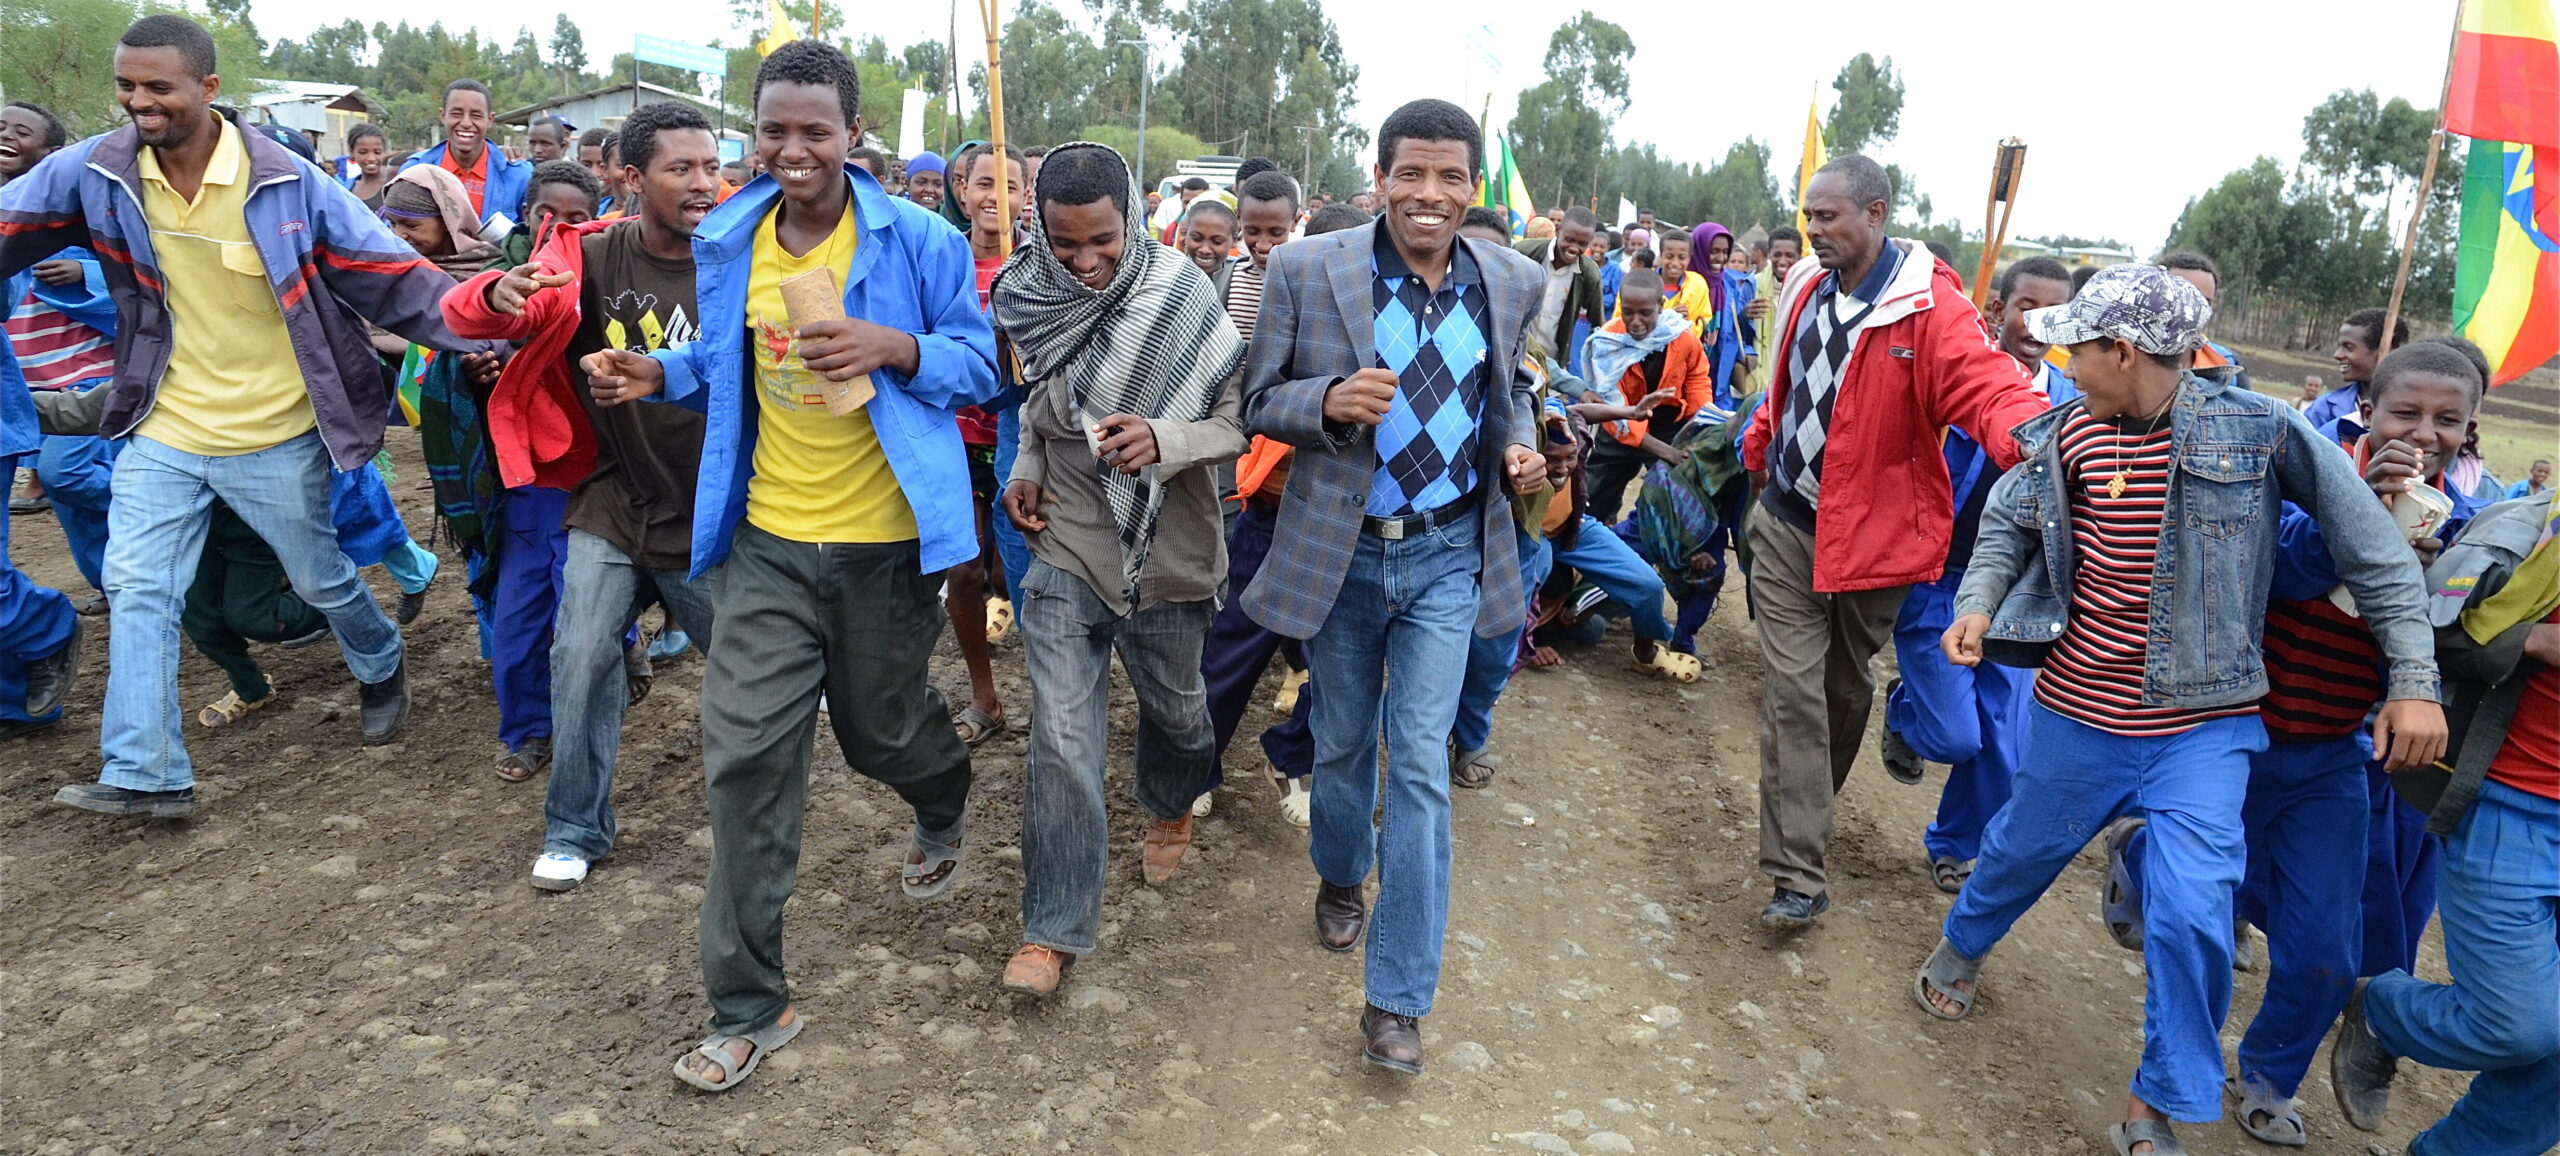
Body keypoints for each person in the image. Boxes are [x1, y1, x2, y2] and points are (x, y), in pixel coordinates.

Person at [1914, 264, 2445, 1156]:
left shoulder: (2263, 433)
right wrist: (1980, 599)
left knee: (2195, 908)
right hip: (2078, 714)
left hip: (2203, 728)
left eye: (2077, 349)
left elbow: (2378, 558)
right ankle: (1962, 945)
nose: (2064, 364)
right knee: (2018, 853)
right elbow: (2007, 518)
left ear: (2123, 352)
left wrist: (2414, 682)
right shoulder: (2064, 433)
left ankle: (2154, 1099)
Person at [578, 38, 998, 1092]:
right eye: (774, 129)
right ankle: (750, 1004)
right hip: (763, 542)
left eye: (815, 130)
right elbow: (726, 360)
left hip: (886, 548)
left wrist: (892, 347)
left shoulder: (922, 239)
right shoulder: (732, 235)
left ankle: (941, 792)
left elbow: (985, 362)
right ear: (751, 133)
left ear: (852, 135)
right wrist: (656, 370)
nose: (792, 148)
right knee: (745, 759)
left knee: (880, 731)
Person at [3, 14, 488, 814]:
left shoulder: (288, 182)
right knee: (139, 587)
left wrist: (485, 313)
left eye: (158, 86)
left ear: (208, 88)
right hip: (165, 425)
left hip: (275, 428)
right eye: (127, 85)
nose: (139, 102)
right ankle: (149, 772)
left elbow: (393, 276)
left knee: (320, 577)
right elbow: (8, 223)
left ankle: (379, 659)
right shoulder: (96, 168)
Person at [1238, 98, 1547, 1076]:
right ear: (1379, 178)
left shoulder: (1511, 276)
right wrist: (1324, 403)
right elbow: (1253, 401)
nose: (1429, 194)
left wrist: (1525, 446)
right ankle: (1339, 872)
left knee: (1415, 763)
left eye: (1449, 176)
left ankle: (1396, 1000)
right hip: (1342, 554)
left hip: (1449, 556)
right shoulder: (1306, 269)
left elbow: (1519, 390)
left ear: (1470, 187)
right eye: (1410, 174)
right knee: (1341, 746)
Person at [1737, 155, 2053, 930]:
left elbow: (1987, 387)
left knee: (1843, 694)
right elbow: (1783, 386)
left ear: (1876, 215)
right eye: (1808, 216)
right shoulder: (1808, 287)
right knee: (1794, 696)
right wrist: (1759, 447)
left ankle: (1806, 808)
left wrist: (2045, 441)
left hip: (1875, 547)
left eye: (1830, 217)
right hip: (1786, 525)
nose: (1813, 231)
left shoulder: (1930, 312)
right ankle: (1798, 873)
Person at [442, 99, 724, 892]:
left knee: (746, 666)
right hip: (611, 498)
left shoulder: (739, 257)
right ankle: (573, 827)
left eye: (710, 166)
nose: (702, 182)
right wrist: (496, 297)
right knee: (580, 653)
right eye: (681, 168)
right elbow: (478, 310)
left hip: (706, 512)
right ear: (632, 179)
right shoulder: (590, 257)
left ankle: (762, 796)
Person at [992, 142, 1246, 997]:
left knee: (1179, 718)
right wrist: (1026, 464)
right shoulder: (1031, 295)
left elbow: (1234, 423)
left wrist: (1165, 442)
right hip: (1068, 540)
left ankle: (1171, 798)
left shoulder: (1182, 292)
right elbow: (1044, 401)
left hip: (1170, 554)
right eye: (1067, 246)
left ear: (1131, 221)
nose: (1088, 264)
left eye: (1102, 241)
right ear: (1041, 233)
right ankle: (1051, 931)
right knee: (1062, 740)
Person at [2328, 483, 2557, 1156]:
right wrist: (2538, 639)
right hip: (2517, 807)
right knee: (2517, 1026)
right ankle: (2385, 1011)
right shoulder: (2530, 531)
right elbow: (2432, 634)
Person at [1877, 256, 2077, 895]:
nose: (2038, 323)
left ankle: (1954, 844)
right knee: (1955, 736)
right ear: (1997, 310)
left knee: (2002, 746)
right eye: (2026, 307)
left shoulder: (2076, 404)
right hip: (1937, 580)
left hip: (2014, 596)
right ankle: (1906, 709)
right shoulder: (1960, 378)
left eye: (2054, 314)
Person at [1196, 171, 1331, 827]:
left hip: (1344, 513)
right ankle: (1194, 763)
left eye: (1277, 232)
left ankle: (1293, 755)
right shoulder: (1234, 283)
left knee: (1340, 660)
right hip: (1270, 498)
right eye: (1254, 232)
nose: (1263, 245)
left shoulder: (1329, 295)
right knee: (1233, 643)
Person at [945, 139, 1028, 748]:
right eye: (983, 184)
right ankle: (984, 695)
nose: (994, 198)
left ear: (1027, 197)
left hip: (1022, 442)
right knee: (965, 566)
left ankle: (1056, 694)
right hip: (953, 436)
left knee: (1017, 570)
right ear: (961, 190)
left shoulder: (1044, 269)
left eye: (1010, 187)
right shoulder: (941, 260)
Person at [1578, 269, 1711, 523]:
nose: (1636, 321)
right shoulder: (1609, 344)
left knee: (1679, 494)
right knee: (1593, 498)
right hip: (1619, 424)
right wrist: (1668, 453)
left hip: (1668, 422)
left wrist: (1699, 425)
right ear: (1620, 305)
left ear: (1660, 306)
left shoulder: (1681, 336)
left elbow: (1697, 377)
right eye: (1628, 312)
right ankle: (1589, 543)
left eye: (1645, 313)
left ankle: (1665, 550)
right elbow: (1614, 409)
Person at [399, 79, 533, 236]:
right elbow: (395, 228)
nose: (466, 123)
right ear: (443, 116)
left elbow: (531, 235)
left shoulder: (518, 175)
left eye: (476, 115)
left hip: (495, 260)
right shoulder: (414, 171)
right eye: (456, 114)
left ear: (489, 120)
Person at [1516, 205, 1603, 377]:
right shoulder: (1524, 253)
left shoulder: (1589, 274)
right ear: (1558, 229)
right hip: (1514, 352)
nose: (1573, 248)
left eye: (1582, 244)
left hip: (1553, 364)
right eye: (1569, 239)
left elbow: (1598, 324)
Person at [2160, 250, 2250, 392]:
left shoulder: (2227, 365)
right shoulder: (2124, 359)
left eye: (2204, 302)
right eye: (2183, 299)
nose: (2194, 310)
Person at [2312, 307, 2408, 431]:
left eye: (2349, 347)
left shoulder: (2415, 408)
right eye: (2340, 346)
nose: (2337, 355)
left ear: (2385, 350)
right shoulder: (2324, 409)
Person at [497, 159, 601, 267]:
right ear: (527, 215)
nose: (557, 229)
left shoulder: (601, 274)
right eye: (545, 216)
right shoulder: (498, 277)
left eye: (576, 221)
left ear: (594, 228)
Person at [1180, 198, 1237, 280]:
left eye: (1217, 242)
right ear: (1186, 235)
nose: (1205, 250)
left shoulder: (1241, 277)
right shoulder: (1171, 272)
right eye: (1196, 239)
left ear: (1234, 241)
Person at [339, 121, 390, 209]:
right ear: (352, 152)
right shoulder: (346, 188)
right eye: (363, 152)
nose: (371, 158)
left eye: (377, 152)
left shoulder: (392, 186)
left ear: (384, 152)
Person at [903, 149, 946, 213]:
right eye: (921, 183)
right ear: (907, 184)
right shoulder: (895, 217)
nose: (929, 190)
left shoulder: (950, 220)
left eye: (938, 184)